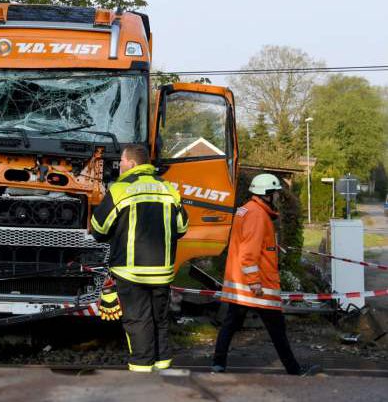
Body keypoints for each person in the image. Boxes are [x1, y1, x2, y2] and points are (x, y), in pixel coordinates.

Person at [91, 144, 188, 372]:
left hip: (130, 272)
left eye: (122, 161)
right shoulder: (168, 188)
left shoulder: (120, 189)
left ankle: (142, 376)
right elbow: (182, 227)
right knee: (160, 321)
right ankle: (163, 369)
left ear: (132, 164)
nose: (120, 165)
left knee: (138, 322)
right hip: (162, 272)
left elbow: (98, 229)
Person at [212, 173, 319, 376]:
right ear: (267, 194)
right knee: (277, 328)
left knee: (231, 323)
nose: (278, 197)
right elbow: (249, 253)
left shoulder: (247, 210)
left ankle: (218, 365)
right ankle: (294, 370)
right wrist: (254, 283)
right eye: (276, 193)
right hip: (257, 287)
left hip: (240, 283)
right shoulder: (258, 216)